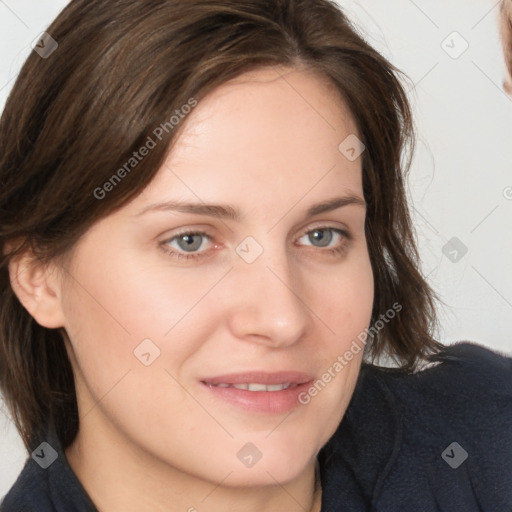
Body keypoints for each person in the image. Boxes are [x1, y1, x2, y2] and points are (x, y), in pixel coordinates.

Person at [0, 0, 510, 511]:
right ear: (38, 275)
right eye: (190, 241)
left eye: (321, 235)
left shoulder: (489, 440)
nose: (282, 319)